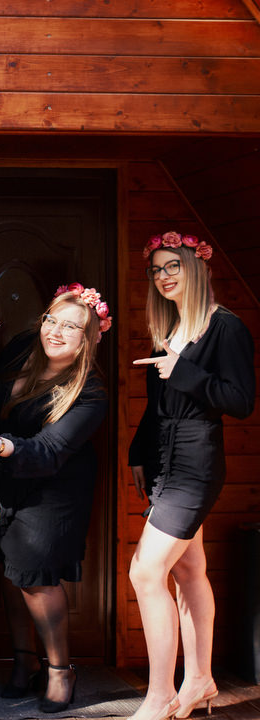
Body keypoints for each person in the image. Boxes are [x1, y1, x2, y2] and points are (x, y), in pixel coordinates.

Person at [0, 284, 111, 714]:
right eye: (51, 320)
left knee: (36, 578)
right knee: (10, 572)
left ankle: (60, 670)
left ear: (88, 339)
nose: (55, 331)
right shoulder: (23, 349)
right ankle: (24, 661)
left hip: (53, 489)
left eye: (71, 327)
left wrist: (0, 444)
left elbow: (51, 450)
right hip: (3, 480)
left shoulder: (90, 393)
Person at [127, 232, 254, 720]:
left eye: (173, 266)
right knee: (187, 570)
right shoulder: (172, 327)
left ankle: (160, 695)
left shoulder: (226, 327)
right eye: (156, 269)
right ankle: (200, 679)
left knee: (145, 571)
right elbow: (159, 406)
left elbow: (240, 401)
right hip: (165, 458)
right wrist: (139, 452)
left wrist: (184, 372)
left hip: (197, 462)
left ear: (198, 267)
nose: (163, 276)